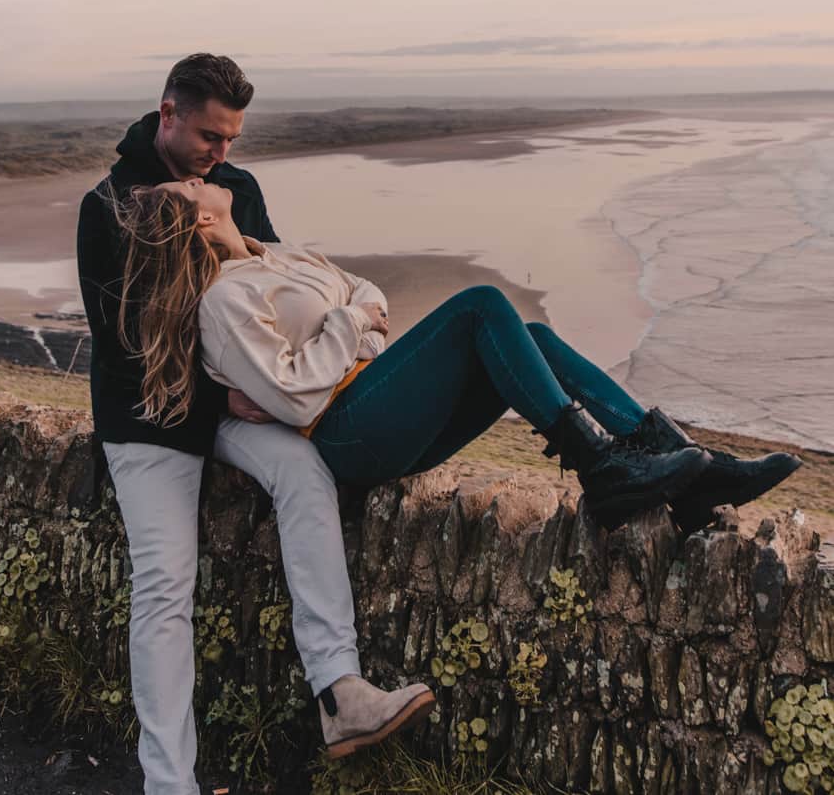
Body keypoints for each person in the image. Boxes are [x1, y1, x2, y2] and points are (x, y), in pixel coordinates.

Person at [77, 55, 433, 795]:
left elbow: (277, 295)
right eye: (211, 135)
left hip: (236, 404)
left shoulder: (236, 191)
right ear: (167, 113)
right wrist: (232, 393)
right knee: (166, 586)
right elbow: (122, 352)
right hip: (150, 420)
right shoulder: (108, 204)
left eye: (233, 138)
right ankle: (169, 783)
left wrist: (271, 381)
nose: (223, 153)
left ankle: (341, 693)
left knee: (306, 472)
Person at [105, 176, 801, 545]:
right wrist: (352, 326)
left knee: (530, 337)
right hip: (348, 434)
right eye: (194, 186)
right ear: (197, 220)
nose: (205, 179)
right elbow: (294, 397)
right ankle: (604, 468)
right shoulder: (224, 303)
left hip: (373, 395)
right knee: (479, 308)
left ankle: (685, 466)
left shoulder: (272, 255)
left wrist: (357, 328)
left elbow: (369, 295)